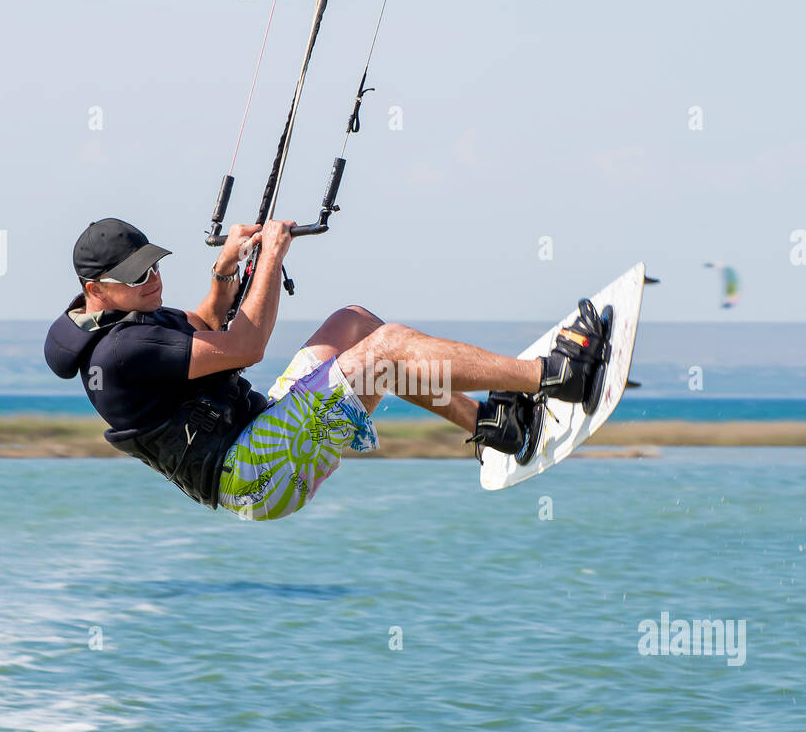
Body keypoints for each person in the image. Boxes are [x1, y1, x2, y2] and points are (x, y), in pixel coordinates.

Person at [44, 217, 608, 521]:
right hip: (252, 472)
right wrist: (270, 259)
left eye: (153, 266)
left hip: (259, 432)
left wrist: (224, 271)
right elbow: (245, 345)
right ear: (96, 289)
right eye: (137, 277)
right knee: (386, 350)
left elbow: (205, 322)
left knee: (354, 324)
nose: (153, 280)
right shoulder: (123, 351)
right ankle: (553, 377)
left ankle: (491, 427)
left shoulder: (129, 318)